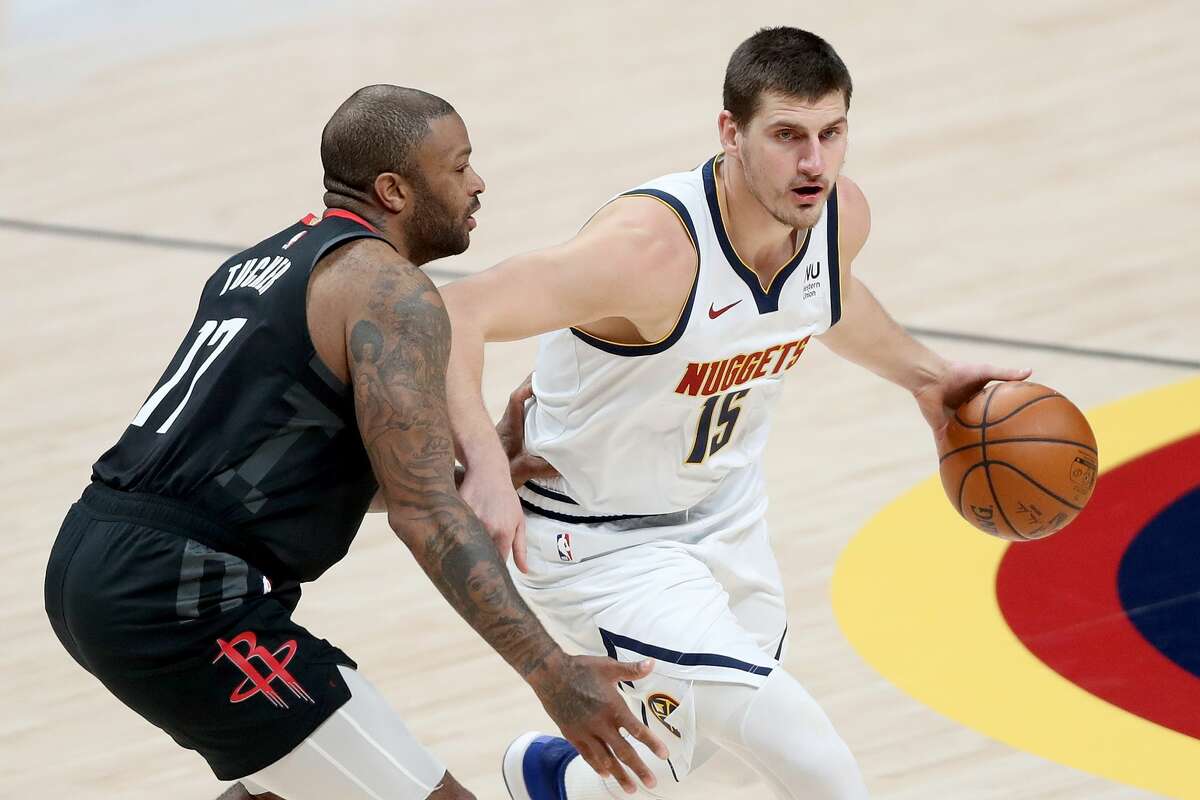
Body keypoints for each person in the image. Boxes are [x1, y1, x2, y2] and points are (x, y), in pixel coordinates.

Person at [442, 28, 1031, 800]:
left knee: (684, 749)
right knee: (818, 765)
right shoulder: (650, 251)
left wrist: (926, 377)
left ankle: (554, 785)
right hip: (603, 546)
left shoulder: (837, 216)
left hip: (727, 521)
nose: (814, 162)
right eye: (787, 135)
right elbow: (454, 312)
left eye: (831, 133)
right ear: (731, 132)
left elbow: (822, 300)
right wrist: (483, 461)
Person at [43, 84, 666, 800]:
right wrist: (549, 671)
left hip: (93, 556)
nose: (477, 183)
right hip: (178, 591)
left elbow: (276, 462)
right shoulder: (386, 289)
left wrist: (452, 461)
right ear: (395, 190)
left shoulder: (265, 261)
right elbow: (423, 515)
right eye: (458, 166)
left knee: (282, 788)